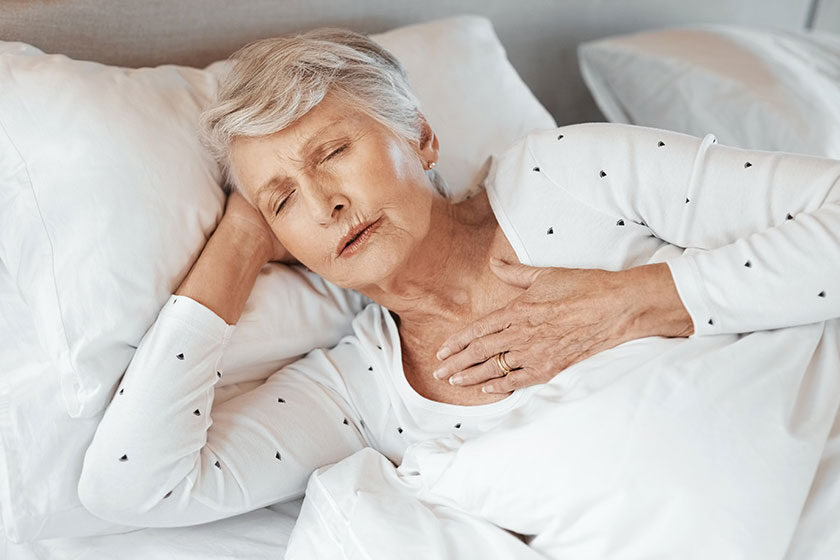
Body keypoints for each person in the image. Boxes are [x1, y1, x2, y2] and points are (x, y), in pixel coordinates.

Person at [78, 27, 840, 536]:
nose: (324, 204)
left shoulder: (568, 177)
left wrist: (630, 301)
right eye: (283, 200)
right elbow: (131, 488)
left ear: (420, 135)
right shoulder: (359, 392)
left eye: (332, 152)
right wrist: (241, 241)